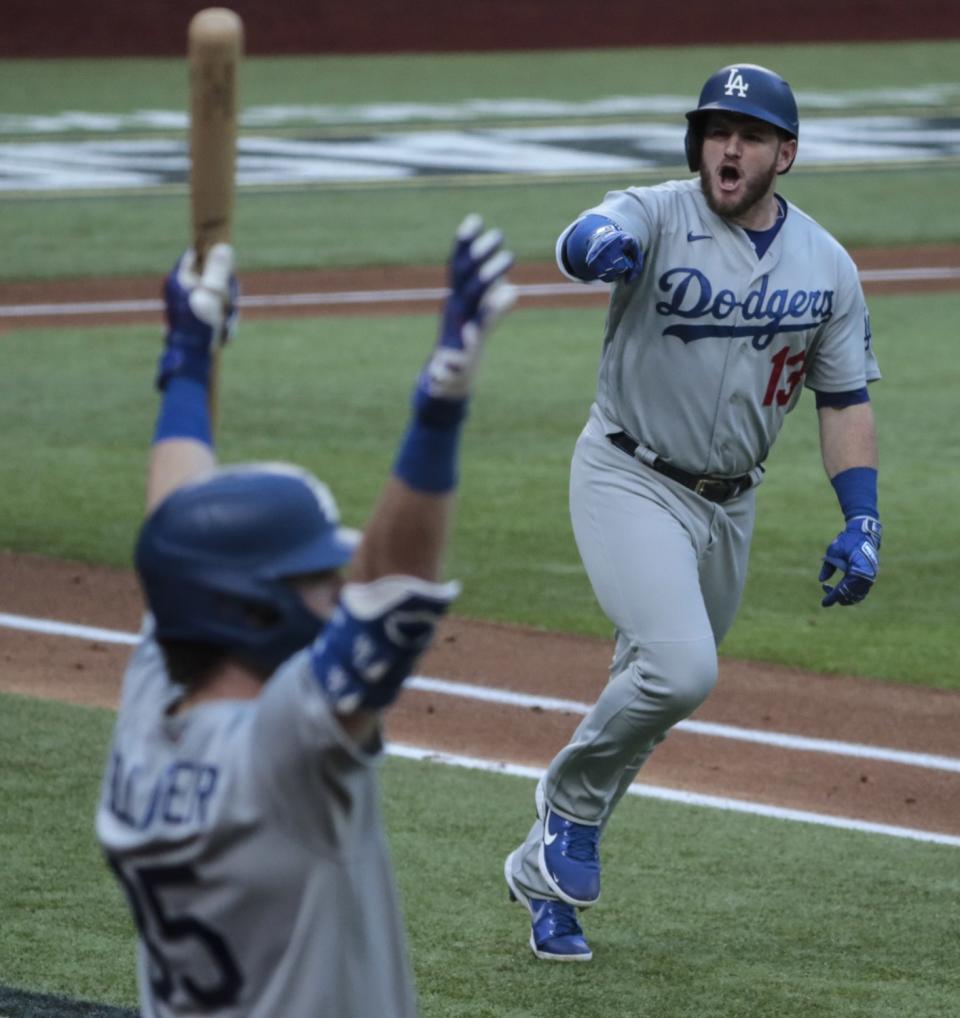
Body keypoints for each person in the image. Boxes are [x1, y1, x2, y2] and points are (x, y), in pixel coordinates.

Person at [503, 63, 882, 962]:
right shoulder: (657, 212)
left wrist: (862, 518)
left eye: (749, 134)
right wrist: (594, 246)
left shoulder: (826, 266)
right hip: (628, 477)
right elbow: (584, 233)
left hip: (730, 507)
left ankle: (543, 876)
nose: (729, 147)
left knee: (650, 694)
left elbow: (845, 399)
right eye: (716, 130)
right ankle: (565, 810)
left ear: (784, 154)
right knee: (679, 671)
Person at [95, 215, 515, 1015]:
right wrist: (437, 415)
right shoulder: (284, 758)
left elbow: (177, 526)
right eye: (316, 581)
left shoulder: (154, 707)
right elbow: (390, 589)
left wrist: (187, 359)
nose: (336, 592)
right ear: (249, 610)